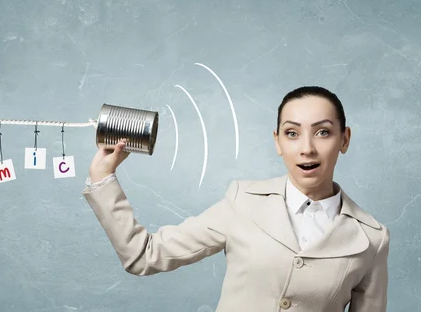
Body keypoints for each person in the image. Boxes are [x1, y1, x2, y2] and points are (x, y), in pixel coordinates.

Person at [82, 86, 390, 312]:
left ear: (344, 139)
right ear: (278, 142)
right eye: (292, 133)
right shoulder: (243, 201)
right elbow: (144, 255)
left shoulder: (371, 238)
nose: (306, 148)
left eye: (322, 132)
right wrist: (102, 179)